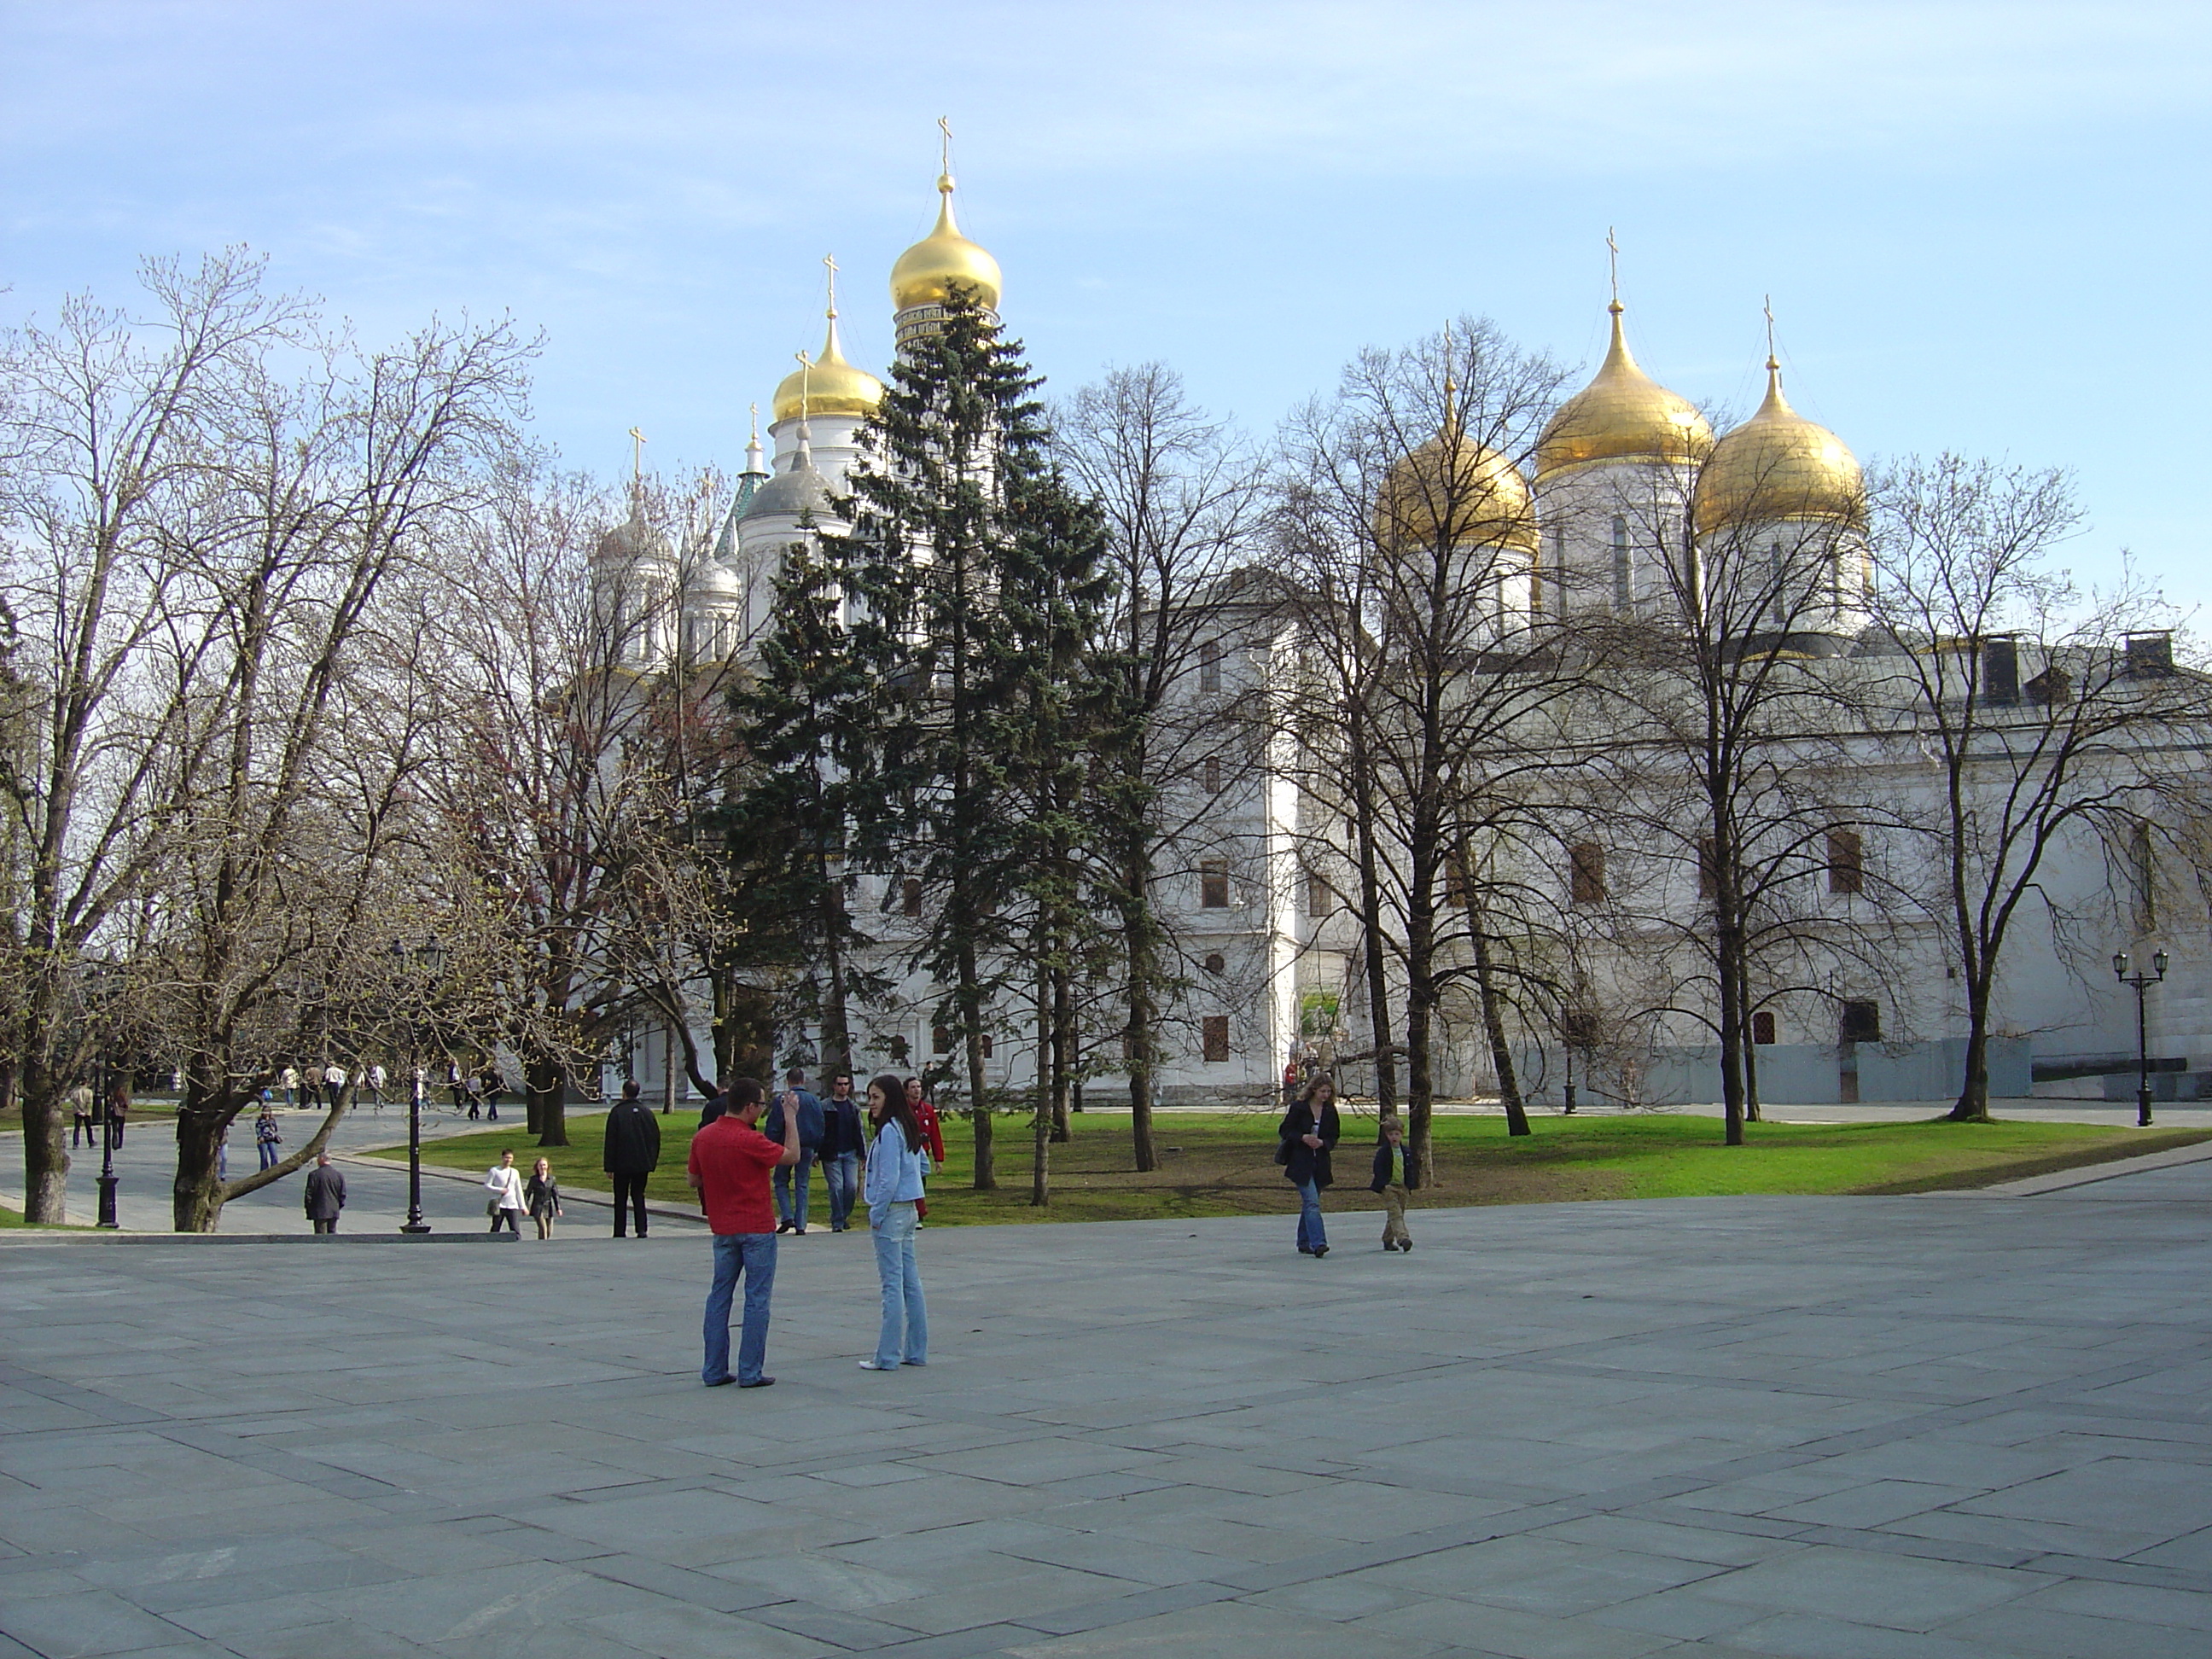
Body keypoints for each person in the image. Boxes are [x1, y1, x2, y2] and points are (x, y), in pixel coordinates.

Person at [688, 1077, 800, 1388]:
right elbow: (792, 1155)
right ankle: (750, 1371)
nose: (762, 1111)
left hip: (723, 1227)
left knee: (719, 1296)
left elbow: (693, 1179)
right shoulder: (750, 1140)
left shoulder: (704, 1137)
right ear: (749, 1107)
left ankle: (713, 1369)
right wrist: (790, 1117)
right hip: (756, 1226)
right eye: (761, 1106)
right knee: (756, 1299)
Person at [859, 1072, 930, 1371]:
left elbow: (888, 1179)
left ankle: (887, 1355)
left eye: (876, 1097)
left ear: (889, 1098)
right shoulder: (907, 1125)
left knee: (892, 1285)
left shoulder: (890, 1131)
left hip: (891, 1212)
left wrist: (876, 1213)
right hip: (908, 1209)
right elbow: (921, 1163)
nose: (871, 1104)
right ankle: (915, 1350)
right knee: (910, 1282)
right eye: (869, 1098)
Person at [1276, 1072, 1341, 1257]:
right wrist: (1303, 1137)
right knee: (1312, 1202)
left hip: (1320, 1162)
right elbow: (1285, 1130)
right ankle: (1319, 1242)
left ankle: (1303, 1241)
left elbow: (1334, 1136)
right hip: (1300, 1161)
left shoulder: (1330, 1111)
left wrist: (1323, 1143)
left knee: (1311, 1203)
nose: (1325, 1095)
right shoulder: (1299, 1108)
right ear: (1313, 1090)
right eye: (1322, 1091)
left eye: (1329, 1091)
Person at [763, 1068, 824, 1235]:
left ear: (788, 1081)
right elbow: (820, 1126)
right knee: (802, 1183)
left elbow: (774, 1126)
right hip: (807, 1145)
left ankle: (787, 1215)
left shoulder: (782, 1100)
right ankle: (801, 1223)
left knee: (781, 1180)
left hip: (785, 1146)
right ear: (802, 1081)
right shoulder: (814, 1101)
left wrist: (770, 1144)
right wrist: (817, 1149)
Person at [602, 1079, 662, 1238]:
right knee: (638, 1195)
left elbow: (611, 1141)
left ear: (624, 1093)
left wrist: (609, 1166)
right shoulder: (646, 1113)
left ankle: (619, 1230)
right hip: (642, 1163)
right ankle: (641, 1228)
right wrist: (651, 1161)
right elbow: (655, 1138)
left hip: (621, 1163)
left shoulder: (617, 1113)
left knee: (620, 1197)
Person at [818, 1074, 867, 1232]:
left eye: (846, 1084)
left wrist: (863, 1154)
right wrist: (816, 1152)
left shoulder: (853, 1107)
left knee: (851, 1187)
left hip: (850, 1153)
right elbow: (819, 1131)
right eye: (840, 1084)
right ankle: (837, 1221)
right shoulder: (825, 1106)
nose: (843, 1087)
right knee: (837, 1187)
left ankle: (843, 1215)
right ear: (834, 1086)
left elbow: (859, 1131)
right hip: (832, 1153)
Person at [1371, 1118, 1417, 1254]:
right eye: (1391, 1134)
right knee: (1395, 1214)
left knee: (1398, 1214)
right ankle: (1403, 1239)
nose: (1394, 1137)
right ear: (1387, 1135)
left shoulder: (1406, 1151)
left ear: (1402, 1135)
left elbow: (1409, 1169)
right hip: (1389, 1187)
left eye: (1397, 1134)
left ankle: (1387, 1239)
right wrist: (1384, 1184)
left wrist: (1410, 1185)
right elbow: (1378, 1169)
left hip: (1402, 1187)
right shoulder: (1384, 1152)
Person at [904, 1078, 946, 1220]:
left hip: (923, 1152)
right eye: (913, 1087)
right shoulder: (903, 1110)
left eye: (918, 1087)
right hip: (907, 1153)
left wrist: (938, 1159)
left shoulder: (927, 1110)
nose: (916, 1090)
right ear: (907, 1091)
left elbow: (935, 1134)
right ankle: (912, 1212)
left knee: (921, 1182)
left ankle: (920, 1213)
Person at [483, 1149, 526, 1235]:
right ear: (502, 1158)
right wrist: (500, 1190)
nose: (508, 1160)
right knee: (496, 1227)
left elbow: (518, 1189)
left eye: (510, 1158)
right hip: (499, 1204)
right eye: (506, 1158)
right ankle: (492, 1243)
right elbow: (487, 1186)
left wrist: (523, 1206)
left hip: (512, 1205)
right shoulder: (495, 1171)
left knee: (515, 1229)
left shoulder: (514, 1172)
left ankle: (518, 1244)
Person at [305, 1153, 346, 1234]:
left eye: (318, 1158)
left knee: (321, 1236)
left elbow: (309, 1195)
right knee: (332, 1234)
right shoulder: (338, 1175)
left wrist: (309, 1209)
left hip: (319, 1211)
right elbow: (342, 1194)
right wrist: (337, 1207)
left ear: (322, 1159)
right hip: (333, 1210)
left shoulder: (314, 1175)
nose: (317, 1160)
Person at [525, 1156, 562, 1240]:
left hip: (548, 1206)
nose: (543, 1167)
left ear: (547, 1166)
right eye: (540, 1165)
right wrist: (525, 1207)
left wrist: (558, 1208)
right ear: (537, 1167)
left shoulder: (552, 1179)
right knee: (543, 1229)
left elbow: (555, 1194)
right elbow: (527, 1193)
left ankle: (540, 1243)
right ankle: (543, 1246)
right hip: (537, 1206)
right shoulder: (534, 1179)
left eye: (544, 1165)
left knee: (549, 1231)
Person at [255, 1102, 283, 1170]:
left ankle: (274, 1170)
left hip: (272, 1139)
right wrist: (260, 1137)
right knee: (264, 1157)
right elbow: (258, 1129)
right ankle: (264, 1171)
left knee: (274, 1156)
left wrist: (271, 1125)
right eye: (265, 1111)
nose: (266, 1113)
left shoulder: (272, 1120)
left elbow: (275, 1130)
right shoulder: (259, 1120)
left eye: (268, 1111)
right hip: (263, 1140)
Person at [68, 1083, 95, 1149]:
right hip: (87, 1112)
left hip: (77, 1112)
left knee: (77, 1128)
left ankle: (75, 1143)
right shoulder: (89, 1092)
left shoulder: (74, 1092)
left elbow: (73, 1102)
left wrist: (79, 1110)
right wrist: (85, 1111)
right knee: (88, 1128)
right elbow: (90, 1102)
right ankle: (90, 1142)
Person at [105, 1080, 130, 1148]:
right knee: (120, 1130)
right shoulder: (123, 1097)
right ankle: (120, 1143)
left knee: (114, 1129)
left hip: (114, 1113)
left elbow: (110, 1103)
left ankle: (114, 1142)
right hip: (121, 1114)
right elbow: (126, 1106)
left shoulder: (113, 1096)